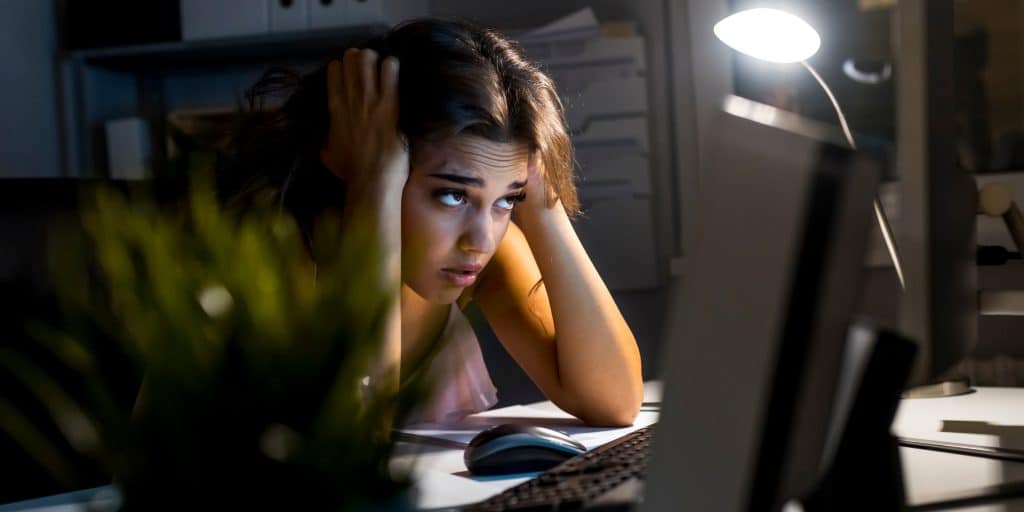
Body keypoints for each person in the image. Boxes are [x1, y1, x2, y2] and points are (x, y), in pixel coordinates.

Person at [221, 18, 642, 426]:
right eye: (452, 194)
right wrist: (374, 183)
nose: (480, 241)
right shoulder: (278, 256)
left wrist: (544, 204)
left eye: (506, 200)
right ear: (364, 156)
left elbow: (615, 400)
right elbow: (354, 441)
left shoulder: (487, 254)